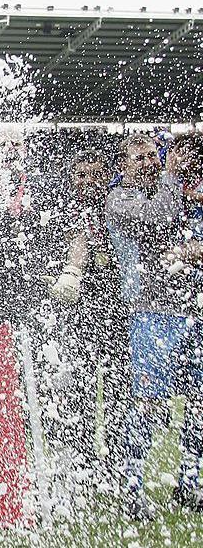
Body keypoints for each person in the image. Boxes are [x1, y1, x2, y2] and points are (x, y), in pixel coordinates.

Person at [106, 134, 201, 519]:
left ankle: (191, 484)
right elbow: (160, 217)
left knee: (197, 405)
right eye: (139, 158)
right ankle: (133, 490)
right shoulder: (121, 200)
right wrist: (173, 179)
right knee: (146, 404)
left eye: (152, 156)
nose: (148, 162)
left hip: (194, 311)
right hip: (153, 315)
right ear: (124, 167)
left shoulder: (177, 192)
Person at [43, 148, 130, 496]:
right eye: (81, 175)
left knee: (116, 394)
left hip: (115, 314)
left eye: (95, 174)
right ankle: (79, 467)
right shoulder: (60, 212)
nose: (88, 182)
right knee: (75, 391)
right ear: (72, 178)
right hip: (74, 315)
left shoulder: (116, 209)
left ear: (105, 176)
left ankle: (113, 467)